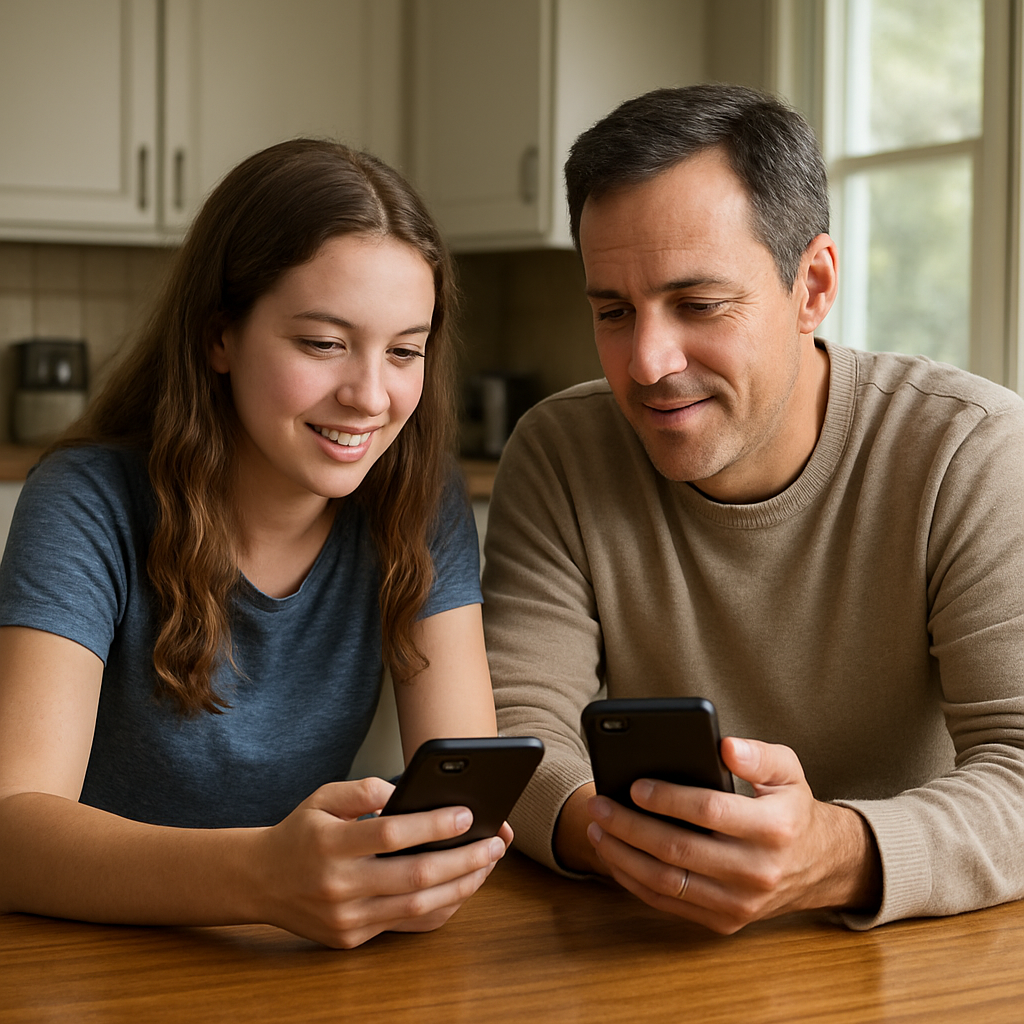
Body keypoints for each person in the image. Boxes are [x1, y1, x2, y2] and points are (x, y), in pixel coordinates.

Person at [482, 84, 1024, 933]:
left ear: (812, 286)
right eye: (613, 312)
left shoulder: (972, 449)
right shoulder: (559, 452)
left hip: (916, 955)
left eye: (698, 306)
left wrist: (833, 854)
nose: (649, 362)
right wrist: (627, 841)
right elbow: (519, 727)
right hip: (646, 942)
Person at [0, 139, 509, 949]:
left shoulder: (418, 499)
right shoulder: (88, 500)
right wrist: (264, 877)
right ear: (219, 338)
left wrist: (430, 862)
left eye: (405, 350)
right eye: (322, 342)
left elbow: (468, 781)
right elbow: (14, 834)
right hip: (91, 954)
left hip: (293, 959)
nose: (370, 396)